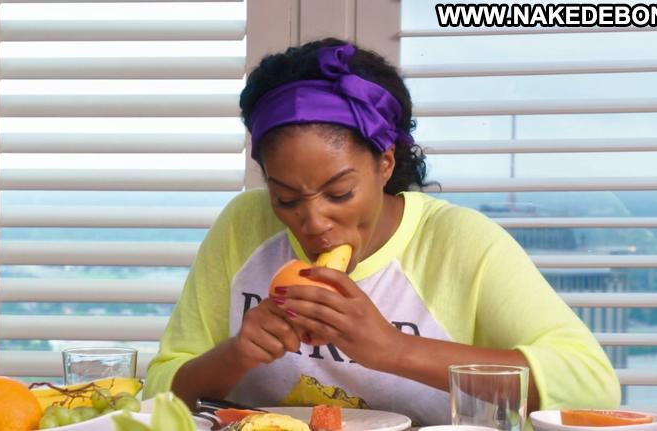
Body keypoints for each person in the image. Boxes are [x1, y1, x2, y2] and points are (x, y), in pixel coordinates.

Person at [144, 38, 620, 425]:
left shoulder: (459, 242)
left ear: (385, 163)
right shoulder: (242, 225)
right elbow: (158, 392)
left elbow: (593, 386)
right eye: (286, 199)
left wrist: (393, 349)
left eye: (339, 193)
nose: (313, 222)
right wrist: (235, 355)